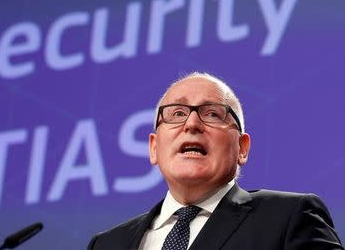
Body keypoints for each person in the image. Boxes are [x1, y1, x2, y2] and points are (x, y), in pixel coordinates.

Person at [87, 72, 344, 250]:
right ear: (154, 147)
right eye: (177, 113)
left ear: (242, 148)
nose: (192, 124)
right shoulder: (107, 244)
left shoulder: (288, 218)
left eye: (212, 114)